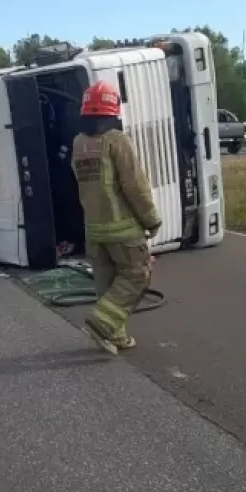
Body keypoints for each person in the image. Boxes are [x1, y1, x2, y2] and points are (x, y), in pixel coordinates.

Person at [71, 80, 162, 355]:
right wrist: (151, 219)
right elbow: (134, 184)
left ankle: (116, 335)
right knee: (138, 275)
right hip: (122, 229)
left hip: (94, 230)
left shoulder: (78, 143)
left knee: (107, 283)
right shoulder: (116, 141)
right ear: (113, 112)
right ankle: (102, 322)